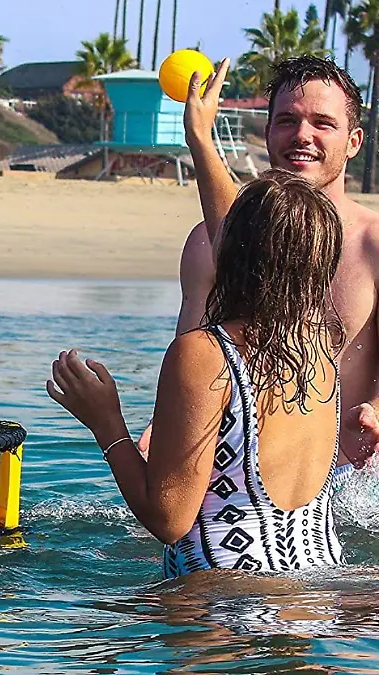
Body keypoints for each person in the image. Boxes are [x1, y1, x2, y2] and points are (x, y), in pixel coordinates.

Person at [49, 168, 344, 578]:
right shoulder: (320, 349)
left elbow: (169, 521)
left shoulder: (205, 354)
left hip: (224, 600)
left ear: (233, 255)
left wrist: (106, 423)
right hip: (317, 595)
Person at [145, 55, 379, 490]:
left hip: (350, 481)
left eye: (322, 123)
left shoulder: (374, 245)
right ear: (267, 131)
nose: (302, 136)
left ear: (354, 141)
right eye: (286, 120)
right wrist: (165, 427)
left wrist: (377, 409)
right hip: (233, 475)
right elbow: (190, 351)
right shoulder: (206, 244)